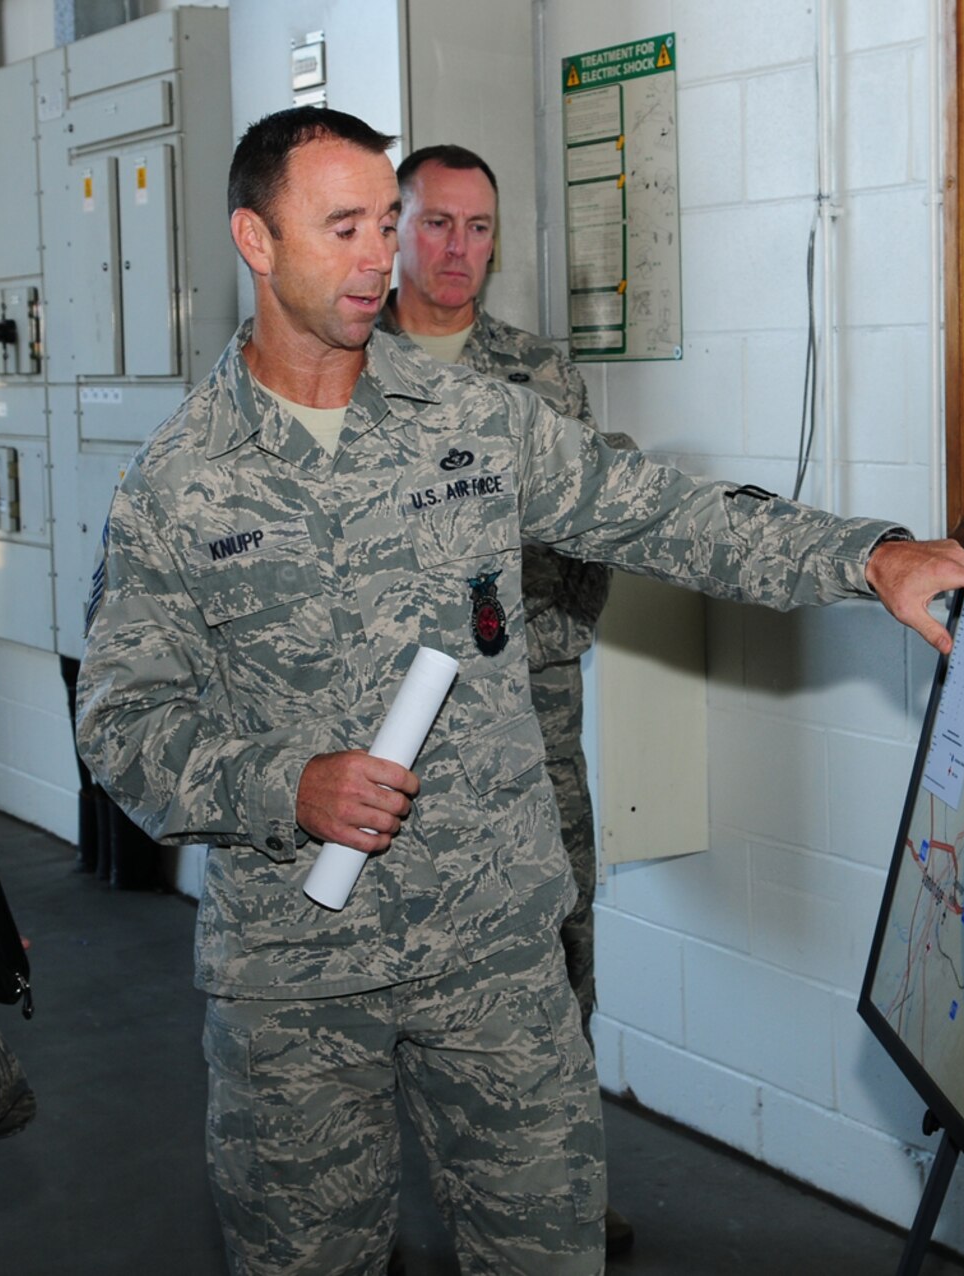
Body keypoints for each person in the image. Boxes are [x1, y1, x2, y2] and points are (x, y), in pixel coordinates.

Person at [74, 106, 964, 1276]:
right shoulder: (177, 482)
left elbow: (662, 514)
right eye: (341, 228)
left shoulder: (475, 419)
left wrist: (868, 555)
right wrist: (283, 785)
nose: (376, 255)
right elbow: (123, 723)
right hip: (296, 975)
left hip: (493, 952)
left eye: (384, 222)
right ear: (253, 237)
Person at [376, 142, 640, 1253]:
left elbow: (587, 543)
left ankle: (554, 1187)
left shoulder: (539, 373)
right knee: (374, 965)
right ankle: (366, 1197)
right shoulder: (345, 362)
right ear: (390, 229)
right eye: (435, 223)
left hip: (528, 723)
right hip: (382, 729)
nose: (456, 250)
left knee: (555, 938)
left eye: (477, 227)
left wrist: (528, 645)